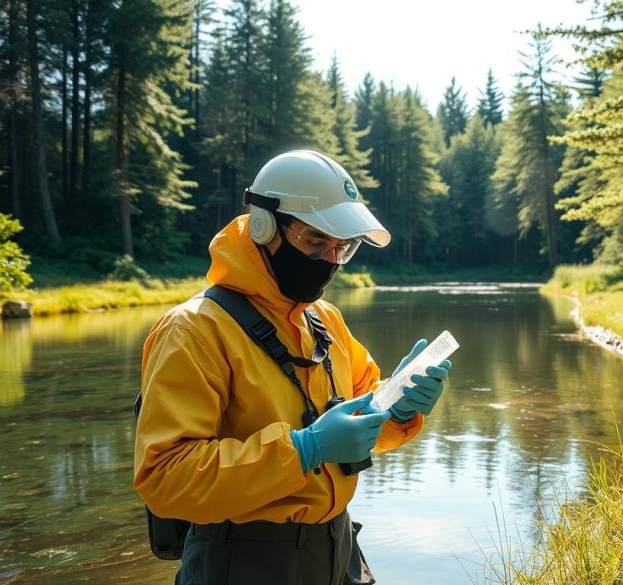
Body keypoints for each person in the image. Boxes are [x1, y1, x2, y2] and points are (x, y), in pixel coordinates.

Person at [133, 150, 452, 585]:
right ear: (264, 227)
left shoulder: (325, 320)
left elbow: (362, 409)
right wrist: (304, 450)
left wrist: (397, 405)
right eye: (314, 242)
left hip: (337, 548)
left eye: (342, 248)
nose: (328, 260)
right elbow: (166, 478)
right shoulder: (194, 331)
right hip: (241, 561)